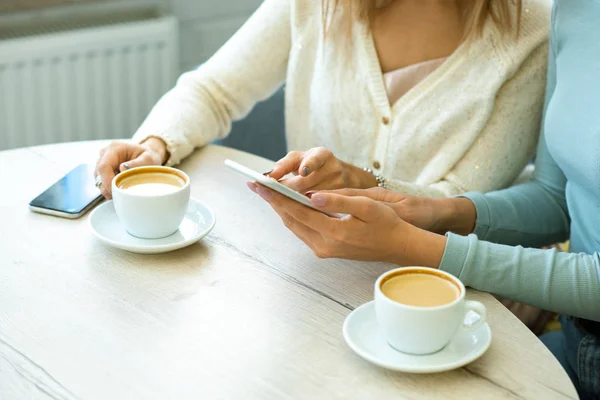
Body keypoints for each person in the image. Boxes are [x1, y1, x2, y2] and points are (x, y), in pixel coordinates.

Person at [252, 1, 599, 397]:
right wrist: (436, 211)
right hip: (573, 339)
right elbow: (556, 200)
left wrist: (416, 246)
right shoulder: (575, 10)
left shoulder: (531, 27)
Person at [95, 0, 550, 201]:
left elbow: (462, 205)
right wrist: (156, 144)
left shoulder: (533, 33)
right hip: (309, 271)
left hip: (440, 300)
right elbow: (213, 90)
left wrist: (363, 185)